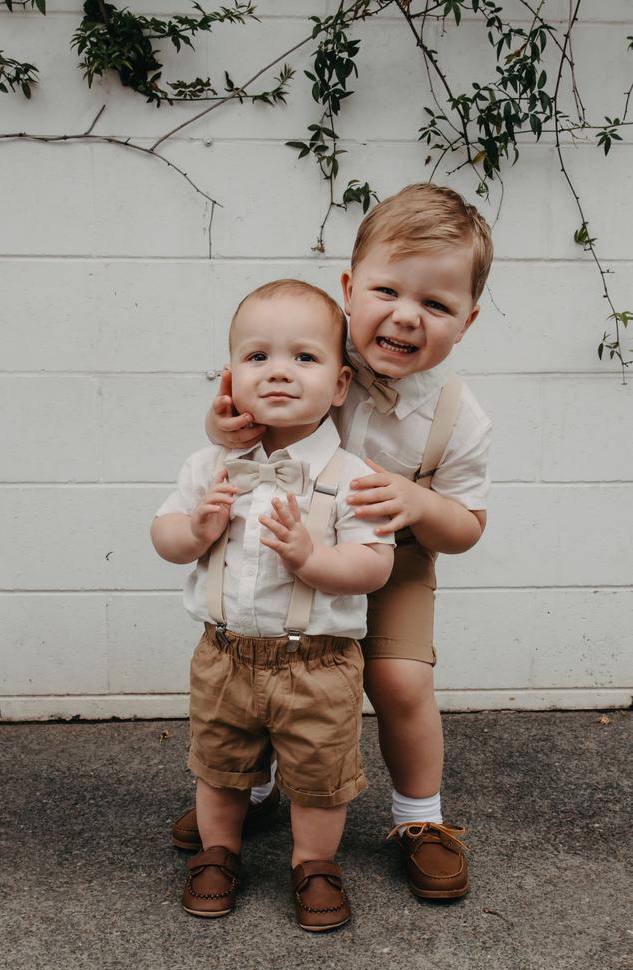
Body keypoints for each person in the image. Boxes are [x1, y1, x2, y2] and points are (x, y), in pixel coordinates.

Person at [193, 183, 493, 901]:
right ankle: (248, 790)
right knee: (258, 675)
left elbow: (468, 527)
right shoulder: (306, 358)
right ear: (351, 288)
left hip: (394, 558)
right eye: (388, 289)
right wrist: (222, 430)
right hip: (284, 553)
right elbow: (237, 438)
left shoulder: (458, 415)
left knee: (398, 679)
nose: (406, 316)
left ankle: (421, 820)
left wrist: (419, 501)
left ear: (468, 321)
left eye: (437, 304)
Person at [151, 279, 394, 929]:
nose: (280, 371)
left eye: (304, 358)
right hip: (224, 654)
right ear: (230, 376)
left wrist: (311, 560)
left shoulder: (355, 478)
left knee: (319, 773)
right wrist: (197, 531)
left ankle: (314, 862)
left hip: (317, 662)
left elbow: (375, 564)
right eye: (258, 356)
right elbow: (164, 536)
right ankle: (218, 852)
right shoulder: (210, 467)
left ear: (340, 385)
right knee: (222, 765)